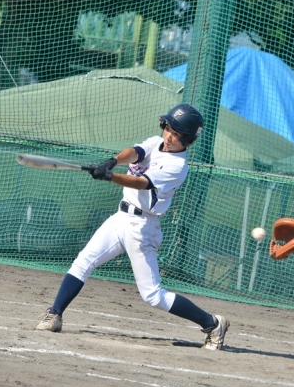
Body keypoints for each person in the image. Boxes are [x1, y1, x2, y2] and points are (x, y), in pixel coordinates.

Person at [35, 104, 230, 350]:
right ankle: (55, 313)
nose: (169, 136)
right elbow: (136, 152)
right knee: (83, 261)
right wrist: (113, 161)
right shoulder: (156, 143)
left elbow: (142, 183)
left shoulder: (177, 166)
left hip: (143, 227)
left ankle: (212, 323)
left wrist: (110, 177)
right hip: (120, 217)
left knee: (153, 296)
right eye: (168, 129)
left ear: (188, 139)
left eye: (177, 134)